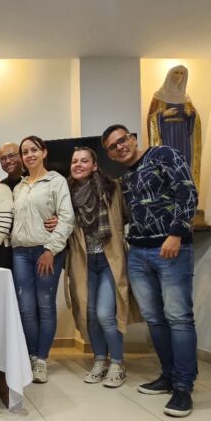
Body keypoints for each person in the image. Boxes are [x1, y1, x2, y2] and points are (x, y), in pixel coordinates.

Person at [102, 124, 198, 417]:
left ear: (132, 138)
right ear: (110, 155)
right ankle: (168, 375)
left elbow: (187, 191)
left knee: (178, 317)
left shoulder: (164, 154)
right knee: (155, 319)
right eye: (112, 147)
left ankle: (183, 387)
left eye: (122, 140)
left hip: (170, 249)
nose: (120, 147)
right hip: (138, 253)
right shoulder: (126, 178)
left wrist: (176, 233)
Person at [65, 147, 139, 389]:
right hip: (83, 261)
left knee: (105, 314)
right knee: (89, 314)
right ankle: (99, 360)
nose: (78, 165)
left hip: (109, 259)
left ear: (94, 165)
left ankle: (117, 363)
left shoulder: (112, 188)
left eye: (84, 161)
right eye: (74, 161)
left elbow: (127, 215)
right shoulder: (67, 194)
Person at [10, 135, 74, 384]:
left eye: (34, 150)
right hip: (20, 253)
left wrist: (51, 250)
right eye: (25, 152)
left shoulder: (56, 181)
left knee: (45, 306)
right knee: (26, 308)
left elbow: (66, 218)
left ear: (44, 152)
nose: (29, 155)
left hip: (46, 252)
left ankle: (41, 360)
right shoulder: (19, 187)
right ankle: (29, 355)